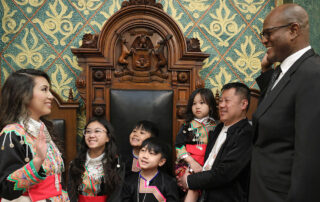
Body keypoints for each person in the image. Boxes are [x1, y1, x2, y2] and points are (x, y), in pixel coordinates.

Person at [249, 4, 320, 202]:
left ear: (293, 30)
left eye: (268, 33)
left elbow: (310, 158)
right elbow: (275, 110)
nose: (263, 40)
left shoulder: (313, 74)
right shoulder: (284, 71)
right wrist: (266, 70)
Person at [0, 69, 69, 201]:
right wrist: (37, 161)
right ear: (23, 94)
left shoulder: (45, 128)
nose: (51, 96)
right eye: (44, 89)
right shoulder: (12, 133)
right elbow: (5, 188)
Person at [179, 82, 253, 202]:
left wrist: (189, 181)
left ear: (243, 104)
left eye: (227, 101)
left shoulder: (246, 134)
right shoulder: (217, 127)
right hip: (203, 192)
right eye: (220, 101)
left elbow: (224, 173)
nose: (221, 105)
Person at [175, 88, 218, 201]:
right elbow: (179, 146)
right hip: (187, 163)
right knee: (193, 187)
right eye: (194, 104)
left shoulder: (216, 126)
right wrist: (191, 162)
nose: (197, 106)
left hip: (207, 164)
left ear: (211, 105)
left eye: (202, 103)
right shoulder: (187, 125)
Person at [67, 118, 124, 202]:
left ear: (108, 137)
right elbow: (71, 194)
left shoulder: (116, 163)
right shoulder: (75, 163)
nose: (91, 135)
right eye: (88, 131)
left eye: (97, 131)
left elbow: (117, 195)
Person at [121, 137, 179, 201]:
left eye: (151, 153)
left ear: (161, 162)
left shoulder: (169, 183)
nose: (145, 156)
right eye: (143, 150)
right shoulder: (129, 181)